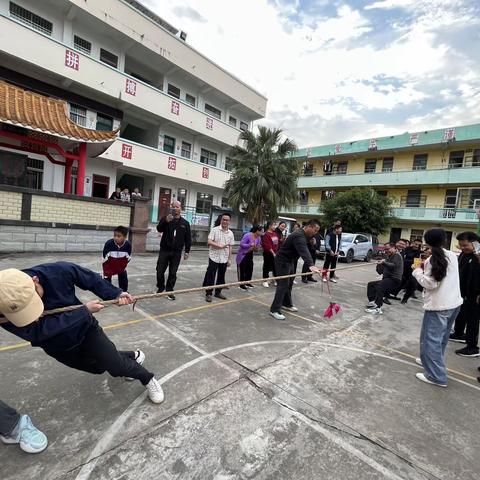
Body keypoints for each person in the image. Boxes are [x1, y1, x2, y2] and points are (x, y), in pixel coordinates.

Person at [0, 263, 164, 404]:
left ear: (34, 280)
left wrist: (115, 293)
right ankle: (134, 356)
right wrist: (83, 311)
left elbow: (90, 278)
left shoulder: (57, 271)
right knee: (99, 366)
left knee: (115, 366)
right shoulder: (4, 306)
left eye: (32, 300)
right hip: (57, 345)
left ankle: (147, 379)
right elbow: (38, 332)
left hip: (85, 329)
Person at [412, 228, 463, 387]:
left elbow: (430, 283)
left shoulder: (433, 260)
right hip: (454, 303)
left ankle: (436, 376)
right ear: (444, 240)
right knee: (440, 339)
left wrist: (417, 271)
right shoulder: (452, 256)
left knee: (431, 340)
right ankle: (428, 360)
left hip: (439, 306)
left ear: (427, 242)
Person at [269, 220, 322, 321]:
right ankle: (274, 310)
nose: (315, 233)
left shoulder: (306, 235)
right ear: (309, 227)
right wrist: (311, 264)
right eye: (315, 231)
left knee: (289, 284)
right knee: (283, 285)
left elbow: (307, 246)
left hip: (290, 261)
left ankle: (286, 304)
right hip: (282, 261)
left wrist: (311, 242)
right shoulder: (298, 235)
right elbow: (303, 250)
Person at [449, 231, 480, 357]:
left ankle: (472, 347)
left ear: (475, 243)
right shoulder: (465, 254)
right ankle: (459, 333)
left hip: (475, 295)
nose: (462, 248)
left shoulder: (478, 256)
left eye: (465, 245)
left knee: (473, 320)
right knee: (461, 314)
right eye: (461, 245)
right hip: (463, 293)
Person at [156, 201, 191, 301]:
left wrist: (187, 251)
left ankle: (169, 290)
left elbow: (188, 239)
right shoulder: (166, 219)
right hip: (165, 250)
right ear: (171, 208)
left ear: (180, 208)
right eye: (173, 207)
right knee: (159, 271)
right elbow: (159, 229)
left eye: (177, 207)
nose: (175, 208)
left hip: (177, 252)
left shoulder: (185, 223)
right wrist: (165, 221)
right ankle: (160, 287)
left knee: (173, 272)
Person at [203, 213, 235, 303]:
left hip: (224, 258)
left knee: (221, 276)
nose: (225, 221)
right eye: (223, 219)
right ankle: (209, 293)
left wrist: (229, 259)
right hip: (214, 257)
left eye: (227, 220)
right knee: (211, 276)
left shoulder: (230, 233)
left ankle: (218, 292)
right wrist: (218, 245)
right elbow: (209, 241)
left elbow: (230, 247)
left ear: (229, 222)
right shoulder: (215, 230)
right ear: (221, 220)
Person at [365, 243, 403, 315]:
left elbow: (393, 266)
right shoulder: (388, 256)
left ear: (394, 248)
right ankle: (372, 302)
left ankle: (378, 308)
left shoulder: (397, 255)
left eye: (387, 249)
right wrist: (379, 265)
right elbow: (380, 272)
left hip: (394, 279)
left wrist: (384, 262)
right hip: (387, 278)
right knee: (371, 284)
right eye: (385, 249)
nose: (386, 251)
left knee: (380, 286)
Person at [388, 238, 422, 304]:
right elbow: (402, 257)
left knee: (413, 285)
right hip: (403, 269)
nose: (416, 246)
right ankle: (392, 295)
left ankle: (405, 299)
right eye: (415, 244)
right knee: (400, 282)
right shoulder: (406, 249)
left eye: (418, 245)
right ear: (413, 243)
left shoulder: (420, 253)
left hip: (412, 271)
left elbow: (418, 262)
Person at [102, 226, 131, 292]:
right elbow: (104, 258)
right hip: (109, 266)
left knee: (123, 278)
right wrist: (106, 269)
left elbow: (128, 258)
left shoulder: (128, 245)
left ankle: (124, 292)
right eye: (115, 235)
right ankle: (108, 294)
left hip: (120, 266)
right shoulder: (109, 244)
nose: (116, 238)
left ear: (125, 237)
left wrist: (122, 265)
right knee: (106, 282)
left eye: (119, 236)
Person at [236, 225, 263, 290]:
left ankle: (248, 282)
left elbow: (256, 249)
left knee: (250, 268)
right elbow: (241, 244)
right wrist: (249, 245)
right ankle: (241, 284)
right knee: (242, 269)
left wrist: (257, 248)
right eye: (261, 231)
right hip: (243, 254)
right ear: (257, 231)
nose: (262, 233)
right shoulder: (248, 235)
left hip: (250, 254)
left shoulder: (259, 238)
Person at [262, 221, 279, 288]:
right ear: (269, 226)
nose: (275, 227)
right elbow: (267, 245)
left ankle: (275, 279)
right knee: (266, 266)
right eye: (274, 225)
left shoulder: (274, 233)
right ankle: (265, 280)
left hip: (275, 253)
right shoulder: (266, 234)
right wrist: (273, 253)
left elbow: (277, 243)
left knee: (275, 267)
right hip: (268, 253)